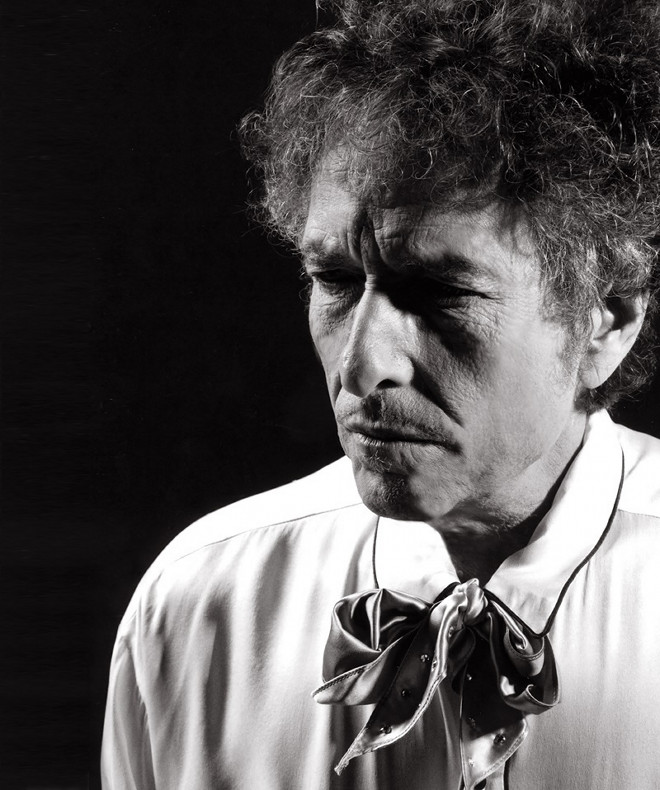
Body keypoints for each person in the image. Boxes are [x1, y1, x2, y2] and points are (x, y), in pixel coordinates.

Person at [101, 1, 660, 788]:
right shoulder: (199, 606)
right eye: (334, 280)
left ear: (610, 316)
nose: (362, 368)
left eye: (439, 292)